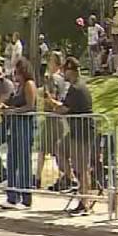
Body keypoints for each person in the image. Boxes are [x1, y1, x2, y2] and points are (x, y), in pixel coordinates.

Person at [45, 57, 96, 215]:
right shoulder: (74, 86)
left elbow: (64, 109)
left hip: (83, 132)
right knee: (60, 148)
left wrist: (50, 101)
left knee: (83, 168)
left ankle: (84, 202)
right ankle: (71, 178)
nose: (63, 73)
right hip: (75, 131)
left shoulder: (76, 88)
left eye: (66, 70)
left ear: (71, 71)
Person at [2, 58, 38, 209]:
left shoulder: (29, 85)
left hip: (25, 124)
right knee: (12, 158)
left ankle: (26, 198)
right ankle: (12, 196)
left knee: (24, 161)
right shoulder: (18, 87)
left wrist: (13, 111)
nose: (15, 75)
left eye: (17, 72)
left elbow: (30, 106)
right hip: (15, 125)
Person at [38, 51, 69, 191]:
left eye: (50, 61)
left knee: (44, 149)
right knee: (57, 151)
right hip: (60, 117)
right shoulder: (64, 79)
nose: (48, 64)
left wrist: (45, 98)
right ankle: (65, 178)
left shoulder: (52, 79)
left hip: (52, 116)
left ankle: (37, 178)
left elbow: (50, 98)